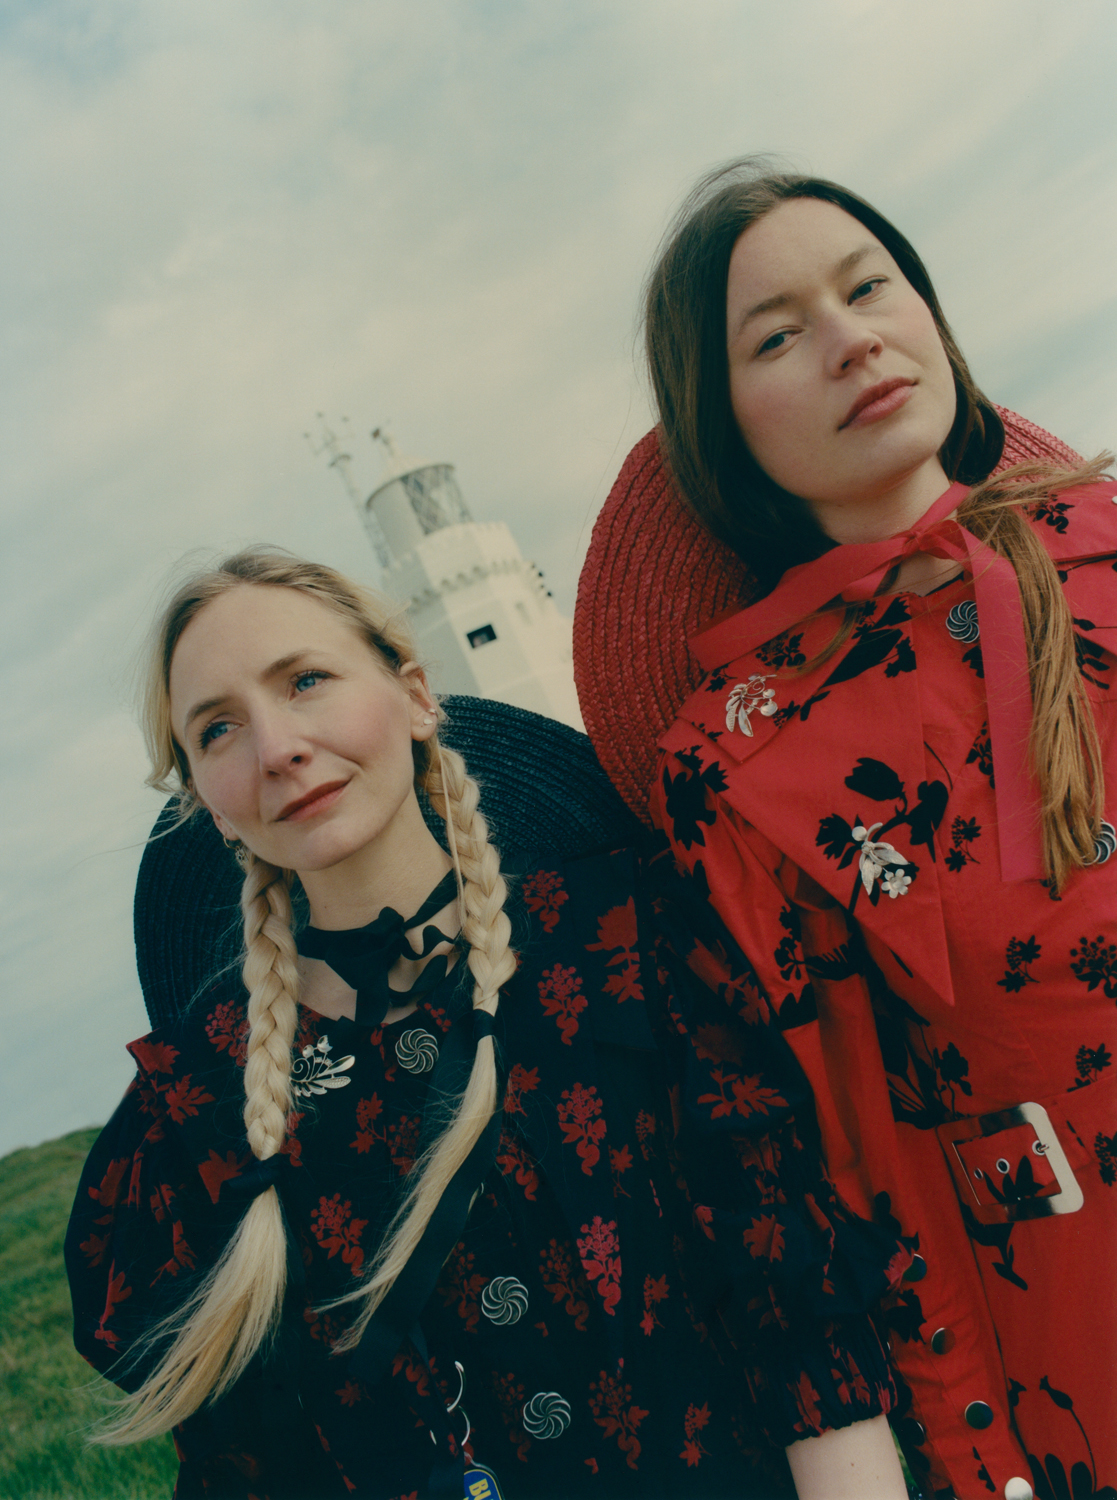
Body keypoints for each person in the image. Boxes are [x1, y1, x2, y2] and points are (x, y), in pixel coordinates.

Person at [66, 548, 913, 1499]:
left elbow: (796, 1323)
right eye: (217, 728)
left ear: (414, 696)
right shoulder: (190, 1117)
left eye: (304, 680)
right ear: (206, 805)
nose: (276, 747)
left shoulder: (631, 942)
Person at [573, 159, 1117, 1500]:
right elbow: (868, 1159)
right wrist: (977, 1458)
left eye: (868, 286)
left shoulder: (1109, 541)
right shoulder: (740, 758)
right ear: (723, 427)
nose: (849, 338)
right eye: (776, 335)